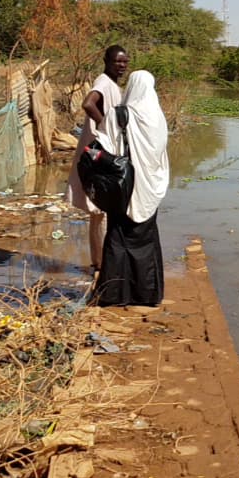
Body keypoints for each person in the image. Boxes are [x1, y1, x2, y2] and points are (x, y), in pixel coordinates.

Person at [91, 70, 169, 308]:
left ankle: (114, 294)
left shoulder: (118, 114)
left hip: (123, 188)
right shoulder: (158, 117)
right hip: (150, 187)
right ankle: (147, 295)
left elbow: (104, 146)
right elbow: (160, 155)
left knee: (118, 237)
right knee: (145, 238)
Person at [66, 45, 128, 275]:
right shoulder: (103, 82)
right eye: (117, 62)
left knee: (99, 210)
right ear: (106, 61)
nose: (121, 66)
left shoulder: (112, 85)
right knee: (100, 209)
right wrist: (105, 126)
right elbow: (88, 103)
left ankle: (99, 261)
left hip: (99, 151)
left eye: (124, 62)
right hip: (97, 152)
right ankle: (100, 264)